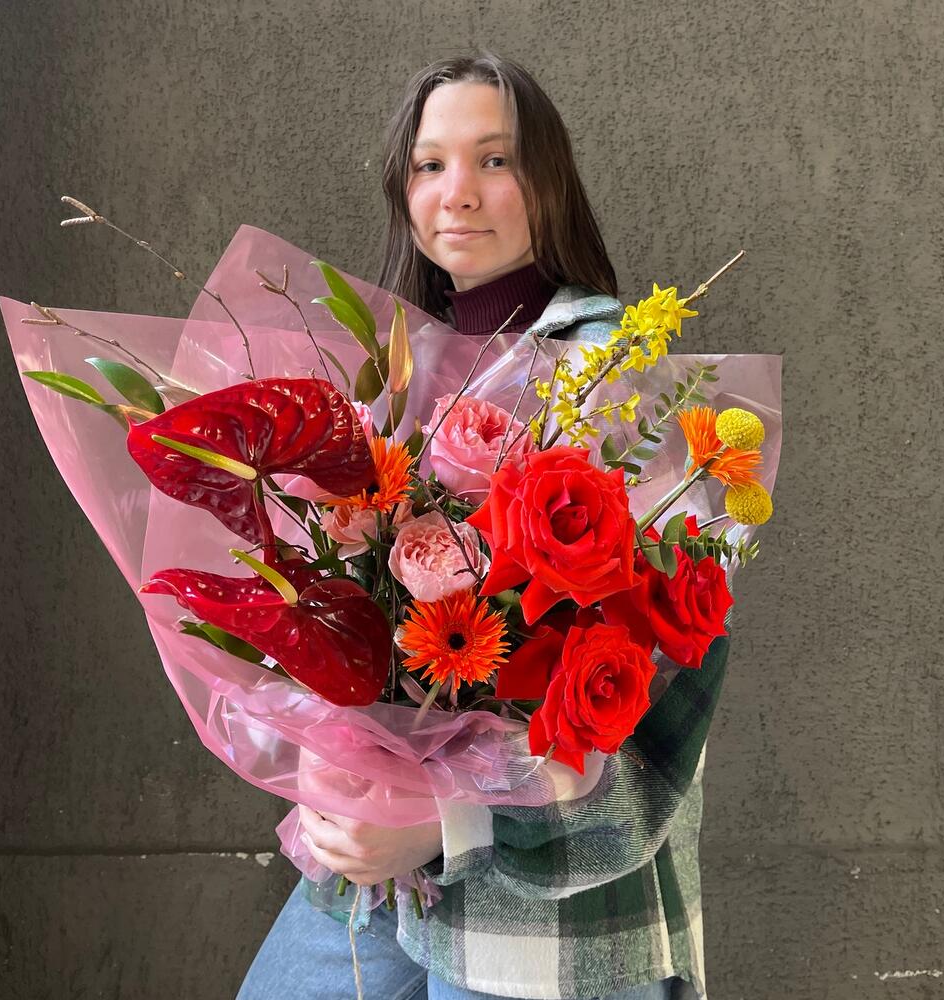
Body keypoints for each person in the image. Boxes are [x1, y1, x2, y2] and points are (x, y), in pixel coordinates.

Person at [236, 53, 730, 1000]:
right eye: (430, 164)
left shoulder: (617, 381)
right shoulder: (393, 376)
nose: (457, 192)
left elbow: (662, 704)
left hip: (552, 913)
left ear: (548, 182)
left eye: (494, 160)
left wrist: (448, 824)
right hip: (380, 874)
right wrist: (333, 753)